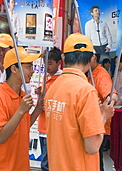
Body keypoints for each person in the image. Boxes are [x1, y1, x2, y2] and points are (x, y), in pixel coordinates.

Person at [44, 33, 114, 171]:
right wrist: (104, 116)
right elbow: (92, 146)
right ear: (92, 58)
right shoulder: (86, 91)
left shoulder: (53, 87)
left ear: (63, 58)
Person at [0, 47, 43, 170]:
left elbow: (23, 126)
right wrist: (21, 111)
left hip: (20, 165)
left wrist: (37, 109)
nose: (32, 71)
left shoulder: (21, 95)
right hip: (1, 166)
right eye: (28, 67)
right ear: (14, 69)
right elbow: (0, 137)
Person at [88, 53, 118, 171]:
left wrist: (106, 107)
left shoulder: (101, 75)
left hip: (100, 126)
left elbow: (112, 95)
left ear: (94, 58)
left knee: (95, 162)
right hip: (92, 125)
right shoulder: (89, 74)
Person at [36, 47, 63, 171]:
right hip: (42, 126)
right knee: (46, 161)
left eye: (50, 63)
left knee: (48, 165)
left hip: (53, 127)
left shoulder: (62, 79)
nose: (47, 66)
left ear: (59, 62)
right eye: (45, 63)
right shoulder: (46, 77)